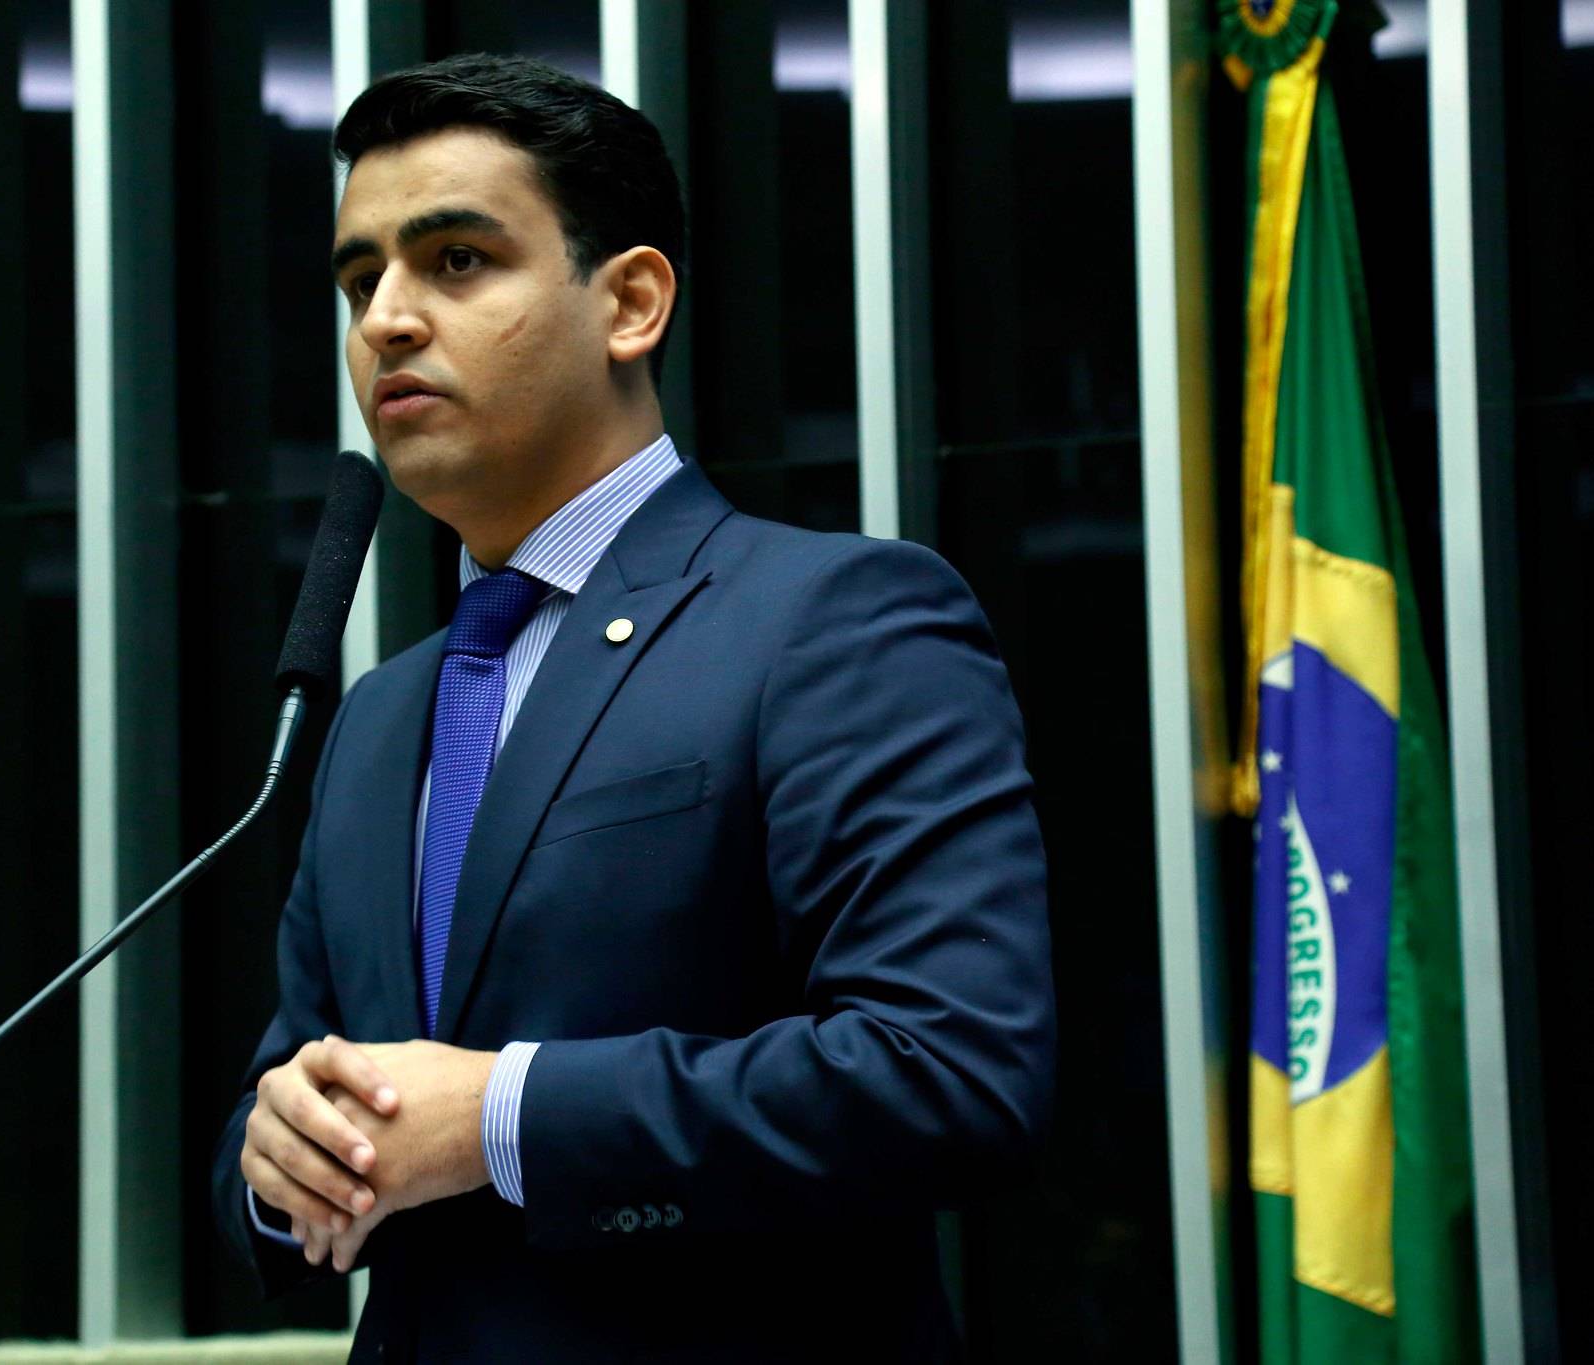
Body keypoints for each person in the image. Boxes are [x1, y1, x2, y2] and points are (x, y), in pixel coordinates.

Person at [211, 51, 1054, 1361]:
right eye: (360, 279)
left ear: (631, 303)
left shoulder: (833, 619)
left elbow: (949, 1072)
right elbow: (291, 1120)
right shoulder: (376, 717)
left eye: (455, 260)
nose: (386, 320)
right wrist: (279, 1162)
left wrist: (504, 1116)